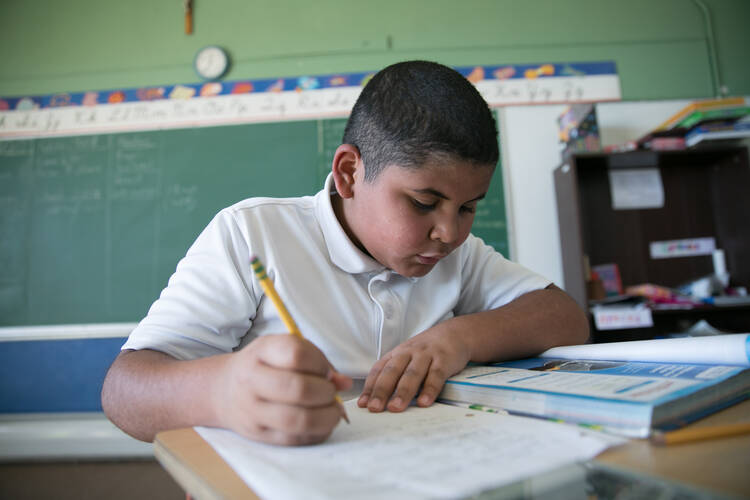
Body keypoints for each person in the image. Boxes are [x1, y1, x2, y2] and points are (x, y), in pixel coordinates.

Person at [101, 60, 589, 447]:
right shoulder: (252, 233)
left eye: (468, 208)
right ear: (350, 173)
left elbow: (565, 317)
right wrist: (224, 391)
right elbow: (125, 394)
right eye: (424, 203)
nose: (448, 232)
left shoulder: (458, 258)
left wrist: (457, 337)